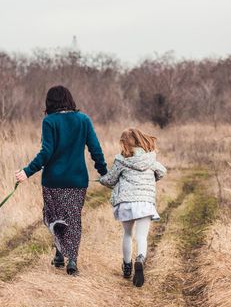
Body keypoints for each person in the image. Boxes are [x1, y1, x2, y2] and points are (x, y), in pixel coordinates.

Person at [15, 85, 107, 275]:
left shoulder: (49, 121)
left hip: (53, 180)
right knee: (73, 218)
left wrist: (27, 171)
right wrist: (104, 171)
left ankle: (59, 253)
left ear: (50, 102)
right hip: (77, 180)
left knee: (55, 217)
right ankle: (70, 259)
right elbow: (95, 148)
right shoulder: (84, 120)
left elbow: (46, 152)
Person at [99, 128, 166, 287]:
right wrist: (152, 178)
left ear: (124, 144)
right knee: (141, 236)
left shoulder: (121, 161)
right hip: (144, 202)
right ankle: (140, 259)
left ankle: (127, 266)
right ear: (140, 140)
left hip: (127, 203)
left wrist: (101, 180)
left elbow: (110, 179)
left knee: (128, 234)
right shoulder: (150, 160)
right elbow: (162, 171)